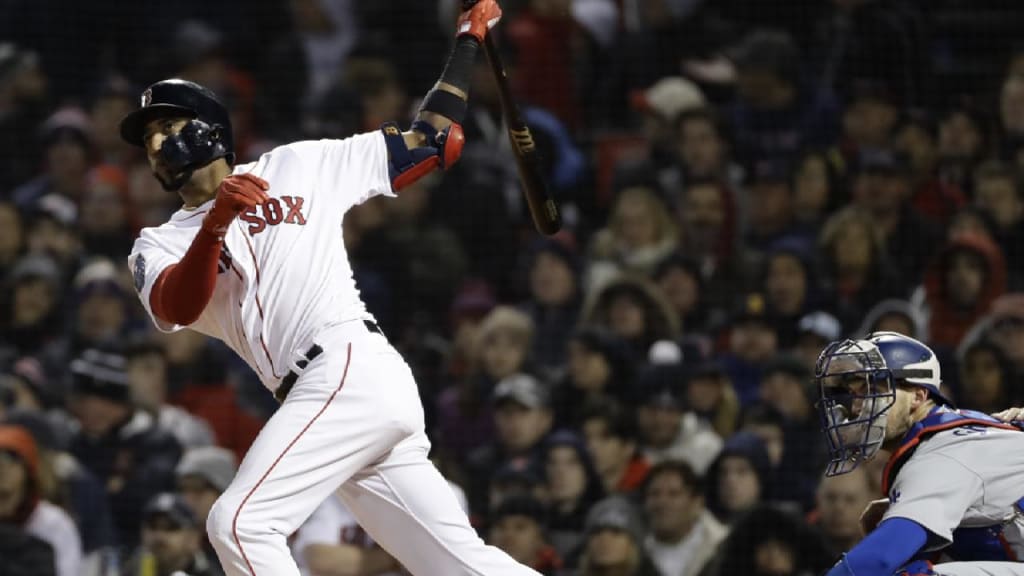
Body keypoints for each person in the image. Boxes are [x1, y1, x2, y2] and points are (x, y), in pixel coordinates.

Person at [119, 2, 540, 574]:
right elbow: (176, 305)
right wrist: (216, 224)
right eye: (147, 137)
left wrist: (467, 41)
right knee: (459, 565)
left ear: (211, 128)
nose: (156, 142)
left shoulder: (297, 164)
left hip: (345, 363)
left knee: (239, 524)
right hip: (320, 395)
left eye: (168, 124)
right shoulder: (158, 243)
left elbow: (434, 139)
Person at [816, 332, 1024, 576]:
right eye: (855, 395)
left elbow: (879, 558)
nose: (857, 406)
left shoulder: (943, 454)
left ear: (917, 396)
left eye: (871, 390)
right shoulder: (952, 440)